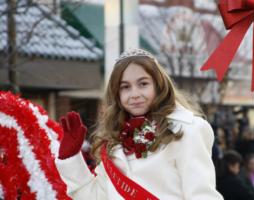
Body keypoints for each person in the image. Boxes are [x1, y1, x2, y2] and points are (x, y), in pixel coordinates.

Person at [55, 48, 223, 200]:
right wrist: (71, 158)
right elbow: (95, 197)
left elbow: (202, 196)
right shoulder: (114, 139)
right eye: (125, 87)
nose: (134, 94)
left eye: (143, 84)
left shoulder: (188, 130)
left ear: (159, 85)